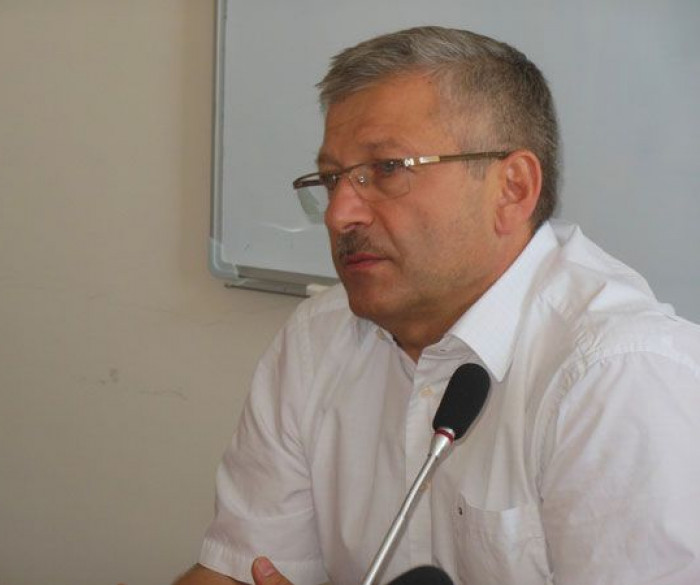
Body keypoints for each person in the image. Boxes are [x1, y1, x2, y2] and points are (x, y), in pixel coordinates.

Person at [178, 26, 700, 585]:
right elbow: (237, 571)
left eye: (386, 169)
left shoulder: (617, 374)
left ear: (512, 187)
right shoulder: (318, 337)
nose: (339, 214)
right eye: (332, 179)